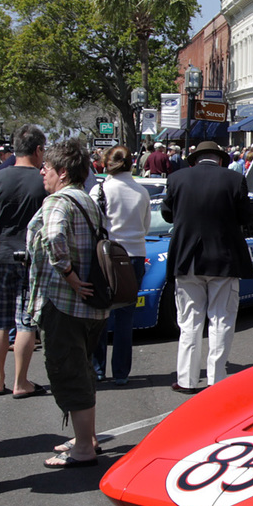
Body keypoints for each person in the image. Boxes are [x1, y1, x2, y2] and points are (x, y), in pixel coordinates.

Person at [26, 139, 111, 468]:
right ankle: (85, 437)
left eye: (46, 167)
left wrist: (68, 273)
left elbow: (54, 237)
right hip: (91, 305)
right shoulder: (88, 200)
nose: (42, 172)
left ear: (62, 172)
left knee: (69, 370)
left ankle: (84, 449)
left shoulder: (58, 201)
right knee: (83, 370)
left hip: (67, 303)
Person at [162, 140, 253, 393]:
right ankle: (216, 379)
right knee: (221, 320)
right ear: (220, 159)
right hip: (223, 259)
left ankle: (187, 380)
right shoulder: (234, 179)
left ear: (195, 159)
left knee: (189, 322)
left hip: (187, 259)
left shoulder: (177, 178)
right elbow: (246, 216)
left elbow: (167, 214)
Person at [0, 125, 48, 399]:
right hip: (29, 258)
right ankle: (21, 382)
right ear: (38, 150)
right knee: (26, 322)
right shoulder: (43, 181)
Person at [90, 145, 150, 385]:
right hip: (134, 256)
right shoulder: (141, 192)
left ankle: (98, 369)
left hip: (106, 256)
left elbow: (94, 223)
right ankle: (122, 373)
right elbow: (145, 228)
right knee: (126, 317)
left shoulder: (100, 189)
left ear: (107, 163)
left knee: (101, 314)